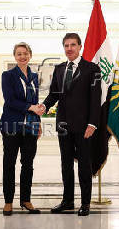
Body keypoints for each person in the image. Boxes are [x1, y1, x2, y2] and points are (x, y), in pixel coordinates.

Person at [40, 33, 101, 216]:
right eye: (66, 45)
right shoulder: (59, 69)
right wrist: (44, 105)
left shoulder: (92, 68)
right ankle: (67, 201)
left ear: (80, 46)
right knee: (66, 165)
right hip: (64, 126)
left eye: (73, 45)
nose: (69, 48)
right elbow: (54, 95)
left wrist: (93, 123)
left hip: (84, 127)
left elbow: (95, 98)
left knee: (84, 166)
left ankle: (85, 203)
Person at [0, 42, 43, 216]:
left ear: (30, 55)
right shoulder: (8, 75)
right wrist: (31, 108)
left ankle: (26, 200)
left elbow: (36, 101)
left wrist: (37, 123)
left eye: (25, 53)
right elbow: (10, 100)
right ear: (15, 56)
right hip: (11, 125)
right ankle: (8, 201)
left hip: (30, 127)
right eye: (19, 54)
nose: (22, 56)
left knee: (28, 164)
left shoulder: (34, 76)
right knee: (9, 164)